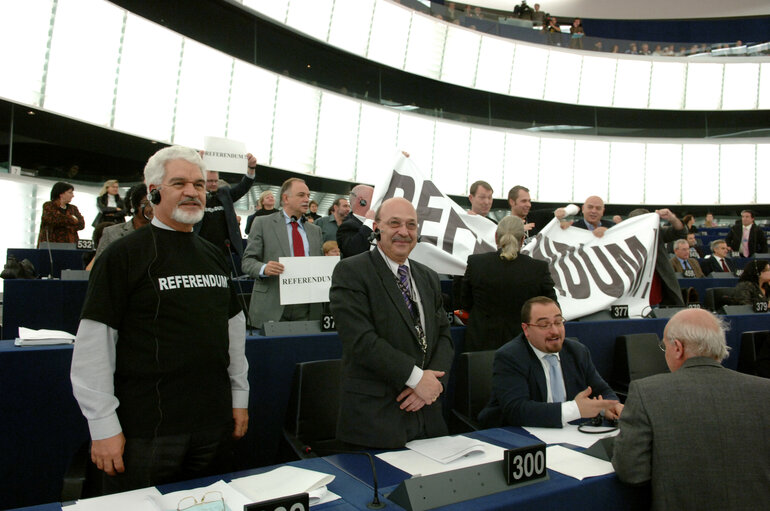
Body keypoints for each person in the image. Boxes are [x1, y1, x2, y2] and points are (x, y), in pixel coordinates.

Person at [70, 145, 249, 494]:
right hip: (147, 433)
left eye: (198, 185)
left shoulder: (213, 255)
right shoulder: (122, 255)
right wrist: (103, 425)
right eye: (179, 183)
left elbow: (234, 335)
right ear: (153, 191)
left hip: (213, 426)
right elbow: (94, 346)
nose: (192, 192)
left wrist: (239, 398)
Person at [612, 308, 770, 510]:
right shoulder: (764, 391)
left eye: (665, 347)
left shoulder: (646, 392)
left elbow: (631, 472)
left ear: (677, 348)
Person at [329, 198, 454, 449]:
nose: (404, 232)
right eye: (394, 223)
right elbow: (361, 341)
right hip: (377, 421)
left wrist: (431, 384)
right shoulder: (351, 271)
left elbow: (443, 335)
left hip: (428, 415)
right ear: (377, 227)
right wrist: (417, 379)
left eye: (411, 225)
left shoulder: (428, 276)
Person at [479, 296, 621, 428]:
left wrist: (611, 406)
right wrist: (575, 409)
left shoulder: (577, 352)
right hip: (516, 436)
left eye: (558, 322)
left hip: (568, 435)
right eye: (544, 325)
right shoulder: (510, 357)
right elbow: (517, 410)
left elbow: (603, 391)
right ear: (526, 329)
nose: (554, 331)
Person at [461, 216, 557, 351]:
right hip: (523, 346)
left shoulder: (475, 263)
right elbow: (551, 306)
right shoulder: (538, 269)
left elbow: (464, 302)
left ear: (496, 237)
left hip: (481, 345)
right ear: (523, 240)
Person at [242, 177, 323, 329]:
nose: (307, 199)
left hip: (306, 306)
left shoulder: (315, 231)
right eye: (301, 195)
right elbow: (247, 262)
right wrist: (264, 268)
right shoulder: (262, 223)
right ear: (285, 198)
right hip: (272, 304)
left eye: (308, 195)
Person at [194, 156, 256, 262]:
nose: (213, 184)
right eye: (209, 181)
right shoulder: (194, 196)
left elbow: (243, 186)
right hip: (200, 250)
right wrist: (196, 163)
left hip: (224, 252)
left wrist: (251, 168)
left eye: (215, 181)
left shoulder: (225, 193)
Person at [628, 208, 688, 307]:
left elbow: (681, 232)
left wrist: (672, 218)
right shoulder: (623, 238)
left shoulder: (657, 234)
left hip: (655, 293)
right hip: (632, 294)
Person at [87, 184, 153, 270]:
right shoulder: (111, 233)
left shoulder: (165, 232)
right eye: (147, 203)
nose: (153, 208)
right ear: (133, 205)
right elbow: (100, 269)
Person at [37, 181, 85, 247]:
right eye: (70, 192)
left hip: (71, 245)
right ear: (61, 194)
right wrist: (72, 219)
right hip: (51, 245)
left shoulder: (73, 208)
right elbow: (54, 220)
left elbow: (81, 224)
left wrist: (66, 221)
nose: (73, 195)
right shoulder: (49, 205)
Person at [336, 184, 375, 258]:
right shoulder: (347, 226)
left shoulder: (379, 223)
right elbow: (354, 251)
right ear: (362, 201)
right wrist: (369, 221)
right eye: (373, 198)